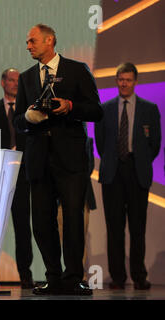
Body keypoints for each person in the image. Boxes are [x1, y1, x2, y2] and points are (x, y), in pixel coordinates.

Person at [13, 24, 103, 295]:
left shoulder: (77, 70)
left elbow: (96, 110)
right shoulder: (27, 77)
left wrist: (71, 107)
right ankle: (52, 276)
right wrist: (28, 118)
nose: (28, 46)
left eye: (32, 41)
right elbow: (18, 120)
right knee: (41, 221)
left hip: (71, 160)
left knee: (73, 219)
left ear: (49, 40)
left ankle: (74, 276)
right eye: (27, 42)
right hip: (39, 160)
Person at [94, 63, 161, 290]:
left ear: (135, 82)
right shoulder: (105, 108)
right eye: (121, 79)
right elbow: (101, 144)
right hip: (112, 173)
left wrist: (138, 161)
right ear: (116, 81)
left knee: (137, 227)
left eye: (129, 80)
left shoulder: (149, 109)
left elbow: (154, 145)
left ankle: (139, 276)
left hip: (137, 172)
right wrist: (115, 160)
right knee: (114, 228)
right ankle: (118, 277)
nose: (124, 83)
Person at [0, 68, 35, 289]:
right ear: (3, 82)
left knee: (23, 226)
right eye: (11, 80)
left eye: (18, 81)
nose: (14, 84)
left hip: (22, 176)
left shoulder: (29, 110)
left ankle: (26, 273)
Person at [56, 137, 97, 282]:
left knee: (79, 236)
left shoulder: (86, 140)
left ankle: (80, 277)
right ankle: (59, 275)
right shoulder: (53, 138)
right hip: (58, 198)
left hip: (81, 195)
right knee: (60, 237)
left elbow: (88, 167)